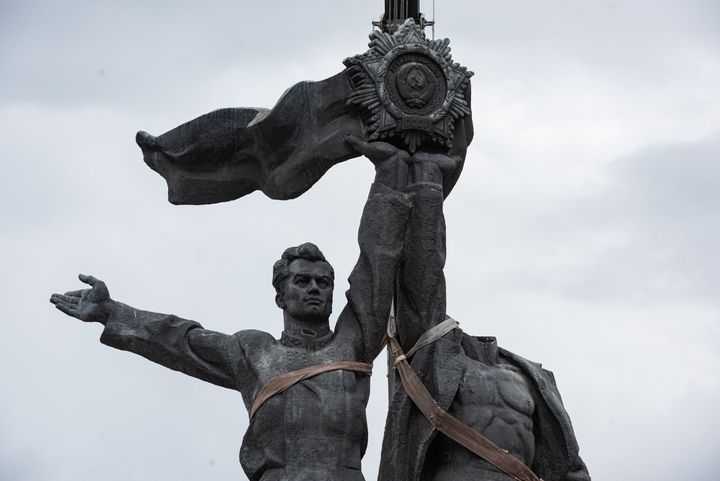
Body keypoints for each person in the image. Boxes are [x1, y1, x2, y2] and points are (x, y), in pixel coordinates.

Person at [49, 139, 449, 481]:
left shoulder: (354, 340)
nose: (314, 289)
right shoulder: (253, 351)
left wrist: (388, 175)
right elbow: (180, 339)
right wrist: (112, 312)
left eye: (322, 282)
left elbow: (376, 262)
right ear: (280, 295)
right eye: (302, 281)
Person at [374, 145, 592, 481]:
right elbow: (423, 277)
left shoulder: (530, 377)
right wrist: (429, 183)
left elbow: (568, 464)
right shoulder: (433, 356)